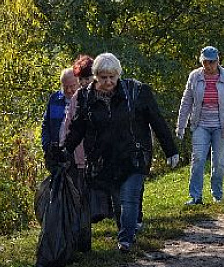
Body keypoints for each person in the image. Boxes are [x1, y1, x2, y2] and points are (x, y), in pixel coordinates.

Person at [62, 53, 180, 252]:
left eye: (112, 77)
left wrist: (171, 150)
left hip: (135, 154)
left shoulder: (137, 92)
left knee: (130, 196)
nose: (108, 82)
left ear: (118, 75)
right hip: (105, 158)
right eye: (103, 77)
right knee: (117, 200)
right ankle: (125, 231)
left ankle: (126, 239)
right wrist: (64, 151)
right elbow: (77, 128)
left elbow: (157, 120)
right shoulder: (85, 97)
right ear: (96, 76)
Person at [175, 46, 224, 205]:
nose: (208, 66)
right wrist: (181, 125)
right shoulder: (194, 77)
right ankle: (195, 196)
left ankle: (217, 194)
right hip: (201, 124)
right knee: (197, 158)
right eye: (205, 62)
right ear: (201, 61)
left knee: (219, 162)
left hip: (222, 125)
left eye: (212, 62)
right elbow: (186, 102)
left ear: (218, 61)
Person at [41, 68, 78, 172]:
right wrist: (47, 146)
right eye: (65, 87)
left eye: (72, 86)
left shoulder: (84, 99)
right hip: (55, 155)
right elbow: (46, 124)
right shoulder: (55, 99)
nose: (69, 90)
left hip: (76, 157)